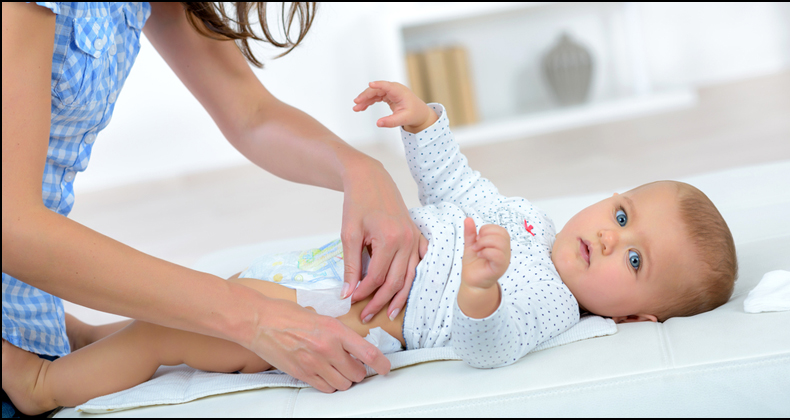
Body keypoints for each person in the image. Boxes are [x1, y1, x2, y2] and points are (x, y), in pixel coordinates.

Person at [1, 80, 739, 415]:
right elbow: (456, 184)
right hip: (331, 276)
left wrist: (479, 290)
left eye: (633, 259)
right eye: (621, 212)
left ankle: (43, 390)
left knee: (180, 329)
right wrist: (426, 126)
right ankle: (99, 340)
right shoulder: (529, 224)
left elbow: (488, 348)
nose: (610, 236)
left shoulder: (552, 308)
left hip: (346, 323)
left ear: (639, 318)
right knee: (205, 298)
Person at [1, 2, 429, 410]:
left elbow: (252, 113)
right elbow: (13, 229)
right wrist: (254, 319)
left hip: (29, 322)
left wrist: (360, 170)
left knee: (205, 317)